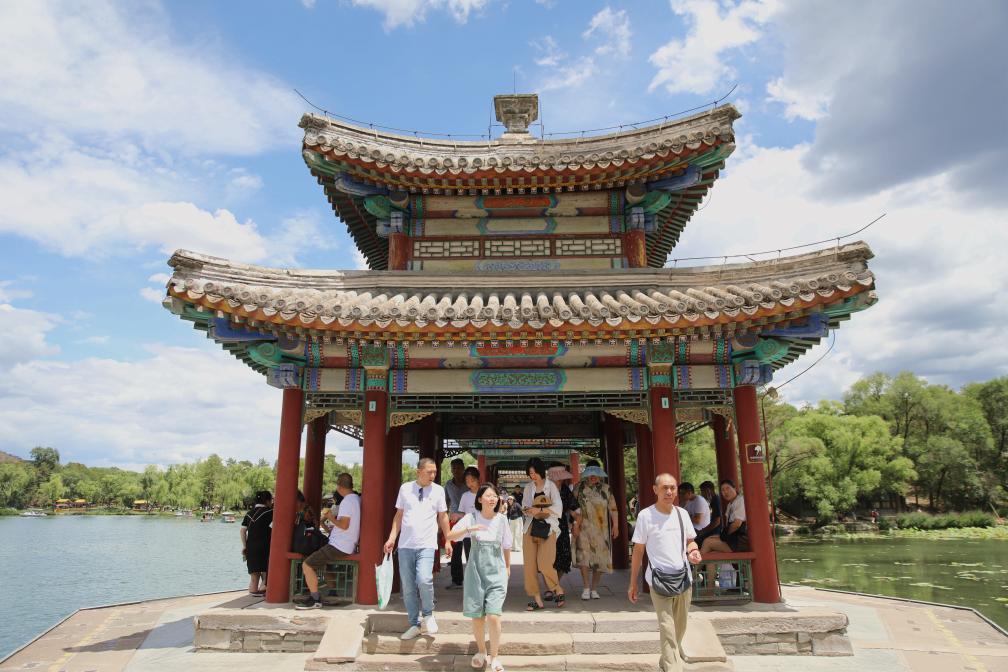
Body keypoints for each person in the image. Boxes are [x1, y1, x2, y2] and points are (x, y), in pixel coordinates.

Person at [629, 474, 702, 672]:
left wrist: (693, 551)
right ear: (655, 490)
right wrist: (633, 582)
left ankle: (667, 659)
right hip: (658, 580)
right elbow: (638, 551)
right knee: (667, 626)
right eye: (664, 488)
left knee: (680, 626)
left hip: (683, 578)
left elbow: (690, 541)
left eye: (672, 488)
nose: (669, 492)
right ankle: (673, 667)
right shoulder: (645, 516)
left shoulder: (682, 514)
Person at [444, 483, 513, 672]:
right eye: (488, 495)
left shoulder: (502, 520)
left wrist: (507, 567)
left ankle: (495, 656)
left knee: (493, 615)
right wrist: (469, 529)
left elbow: (507, 545)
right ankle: (482, 651)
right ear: (480, 499)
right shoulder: (471, 517)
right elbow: (450, 535)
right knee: (477, 616)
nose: (492, 499)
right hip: (475, 572)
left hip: (497, 572)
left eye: (495, 496)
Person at [384, 457, 453, 640]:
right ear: (418, 472)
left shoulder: (438, 491)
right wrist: (392, 538)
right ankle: (414, 623)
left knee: (424, 579)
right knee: (408, 587)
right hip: (405, 545)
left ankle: (428, 614)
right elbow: (399, 515)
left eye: (435, 472)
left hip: (427, 544)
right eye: (429, 472)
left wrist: (448, 540)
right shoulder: (405, 488)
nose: (433, 475)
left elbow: (443, 516)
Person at [295, 473, 360, 609]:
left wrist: (330, 517)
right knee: (317, 561)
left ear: (339, 486)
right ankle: (329, 592)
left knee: (307, 565)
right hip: (345, 544)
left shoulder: (347, 501)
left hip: (339, 545)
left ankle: (315, 599)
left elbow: (344, 525)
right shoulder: (356, 499)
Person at [521, 457, 565, 610]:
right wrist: (527, 510)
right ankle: (537, 599)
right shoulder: (528, 488)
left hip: (548, 528)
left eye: (534, 473)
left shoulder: (551, 486)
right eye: (530, 473)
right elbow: (525, 506)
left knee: (545, 564)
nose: (532, 476)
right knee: (529, 566)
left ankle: (557, 589)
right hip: (530, 528)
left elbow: (558, 509)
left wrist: (540, 510)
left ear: (541, 471)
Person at [573, 463, 618, 600]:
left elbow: (613, 509)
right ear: (586, 473)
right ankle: (586, 587)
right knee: (584, 558)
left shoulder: (606, 489)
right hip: (583, 528)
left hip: (601, 530)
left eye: (596, 473)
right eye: (590, 473)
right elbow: (571, 507)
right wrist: (574, 524)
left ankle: (594, 588)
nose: (593, 476)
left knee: (600, 560)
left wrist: (616, 525)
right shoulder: (578, 488)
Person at [547, 466, 580, 591]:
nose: (560, 481)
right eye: (558, 478)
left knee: (564, 557)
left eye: (561, 478)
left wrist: (575, 523)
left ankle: (554, 586)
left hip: (562, 526)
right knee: (548, 558)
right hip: (547, 526)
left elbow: (575, 509)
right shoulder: (545, 489)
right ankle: (552, 587)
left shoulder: (565, 490)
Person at [450, 466, 481, 588]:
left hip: (483, 532)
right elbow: (463, 514)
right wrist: (457, 515)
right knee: (470, 560)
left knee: (482, 561)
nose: (470, 484)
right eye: (467, 481)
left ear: (478, 479)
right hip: (469, 534)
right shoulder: (465, 496)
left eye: (472, 480)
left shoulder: (485, 493)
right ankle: (474, 586)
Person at [700, 479, 748, 554]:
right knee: (710, 546)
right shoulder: (730, 505)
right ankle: (701, 561)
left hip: (741, 541)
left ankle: (697, 561)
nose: (725, 492)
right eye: (723, 490)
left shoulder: (740, 501)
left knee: (707, 542)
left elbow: (737, 524)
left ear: (734, 488)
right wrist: (722, 536)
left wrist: (724, 536)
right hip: (733, 538)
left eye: (728, 488)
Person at [240, 490, 273, 595]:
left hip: (250, 546)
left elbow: (242, 531)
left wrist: (245, 546)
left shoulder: (249, 514)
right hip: (265, 545)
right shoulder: (270, 512)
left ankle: (253, 591)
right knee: (266, 570)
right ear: (267, 501)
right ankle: (263, 587)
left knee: (254, 574)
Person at [444, 458, 468, 590]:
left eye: (459, 468)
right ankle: (457, 581)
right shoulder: (448, 485)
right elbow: (445, 503)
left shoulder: (469, 483)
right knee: (455, 552)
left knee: (471, 551)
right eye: (454, 468)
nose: (456, 470)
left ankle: (472, 580)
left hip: (469, 521)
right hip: (454, 521)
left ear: (463, 469)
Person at [695, 481, 722, 546]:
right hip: (714, 530)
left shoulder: (716, 500)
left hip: (717, 532)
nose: (702, 494)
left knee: (696, 541)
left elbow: (717, 521)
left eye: (702, 491)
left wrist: (703, 531)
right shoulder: (714, 500)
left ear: (708, 490)